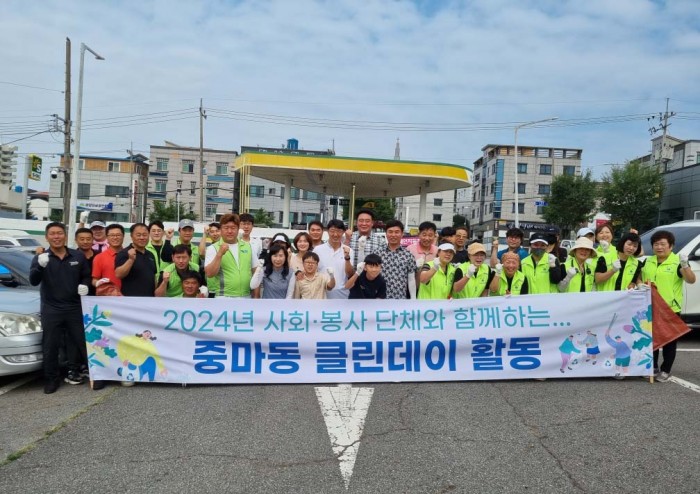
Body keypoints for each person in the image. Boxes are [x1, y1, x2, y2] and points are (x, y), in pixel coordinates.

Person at [29, 222, 91, 393]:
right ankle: (51, 379)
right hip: (51, 309)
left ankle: (96, 375)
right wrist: (40, 266)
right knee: (50, 345)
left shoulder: (78, 256)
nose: (56, 237)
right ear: (47, 237)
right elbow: (33, 280)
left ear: (65, 235)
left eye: (59, 233)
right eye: (52, 234)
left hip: (74, 307)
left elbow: (86, 275)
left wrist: (85, 285)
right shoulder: (41, 257)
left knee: (83, 343)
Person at [641, 230, 696, 381]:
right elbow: (639, 277)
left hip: (670, 308)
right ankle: (653, 366)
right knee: (651, 338)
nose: (659, 247)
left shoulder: (677, 261)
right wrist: (639, 283)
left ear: (671, 246)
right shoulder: (648, 262)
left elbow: (691, 280)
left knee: (669, 341)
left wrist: (685, 265)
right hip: (650, 307)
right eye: (656, 244)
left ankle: (666, 370)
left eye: (663, 244)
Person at [204, 213, 258, 298]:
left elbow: (255, 272)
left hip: (246, 296)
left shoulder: (248, 246)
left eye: (233, 228)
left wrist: (257, 295)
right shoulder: (213, 248)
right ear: (221, 229)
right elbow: (209, 273)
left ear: (238, 229)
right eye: (226, 228)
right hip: (224, 297)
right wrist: (219, 254)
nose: (229, 231)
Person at [115, 223, 157, 297]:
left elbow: (153, 277)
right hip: (131, 300)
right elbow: (118, 274)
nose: (142, 238)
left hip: (150, 299)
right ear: (131, 236)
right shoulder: (124, 253)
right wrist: (130, 260)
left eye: (144, 235)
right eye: (138, 235)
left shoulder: (150, 254)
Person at [378, 219, 417, 299]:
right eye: (390, 232)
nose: (393, 235)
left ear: (402, 234)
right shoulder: (377, 253)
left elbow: (411, 280)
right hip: (379, 299)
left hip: (400, 300)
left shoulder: (408, 255)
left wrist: (413, 299)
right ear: (386, 234)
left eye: (397, 232)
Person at [316, 219, 354, 299]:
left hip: (341, 294)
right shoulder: (317, 250)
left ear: (343, 232)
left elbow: (350, 274)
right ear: (327, 231)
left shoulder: (349, 250)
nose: (335, 234)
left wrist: (347, 258)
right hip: (322, 292)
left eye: (339, 231)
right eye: (332, 231)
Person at [92, 223, 124, 291]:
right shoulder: (99, 257)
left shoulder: (130, 255)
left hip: (130, 296)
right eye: (112, 235)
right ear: (107, 237)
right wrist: (98, 283)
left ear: (123, 236)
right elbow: (94, 279)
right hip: (108, 295)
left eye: (118, 235)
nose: (115, 237)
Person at [74, 227, 97, 295]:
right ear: (76, 240)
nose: (85, 242)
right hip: (75, 295)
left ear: (93, 240)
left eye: (88, 239)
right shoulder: (70, 257)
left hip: (96, 295)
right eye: (82, 239)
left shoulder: (99, 256)